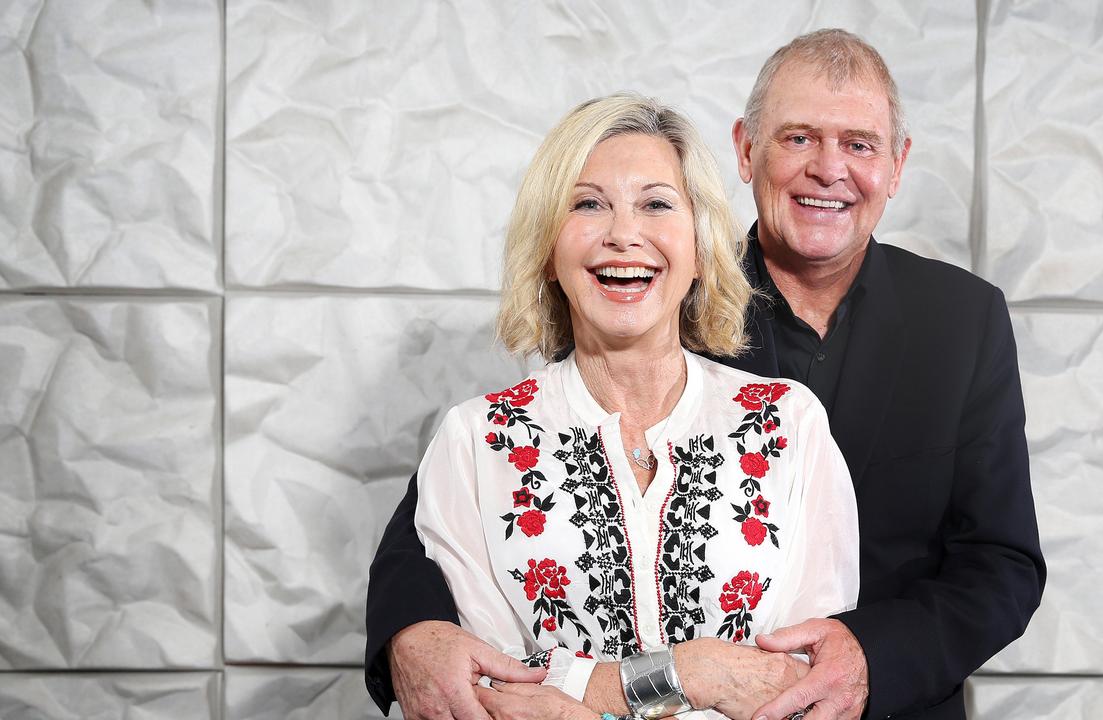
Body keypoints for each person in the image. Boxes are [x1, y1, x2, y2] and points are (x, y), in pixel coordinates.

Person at [367, 29, 1046, 720]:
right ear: (747, 151)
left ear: (897, 165)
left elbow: (1002, 562)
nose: (828, 169)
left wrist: (870, 656)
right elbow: (460, 501)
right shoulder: (656, 292)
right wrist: (408, 632)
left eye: (860, 145)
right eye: (798, 138)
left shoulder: (963, 319)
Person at [385, 92, 864, 720]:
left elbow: (796, 681)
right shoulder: (475, 441)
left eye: (657, 205)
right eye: (588, 204)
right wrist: (691, 674)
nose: (623, 234)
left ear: (700, 246)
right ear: (549, 251)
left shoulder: (787, 423)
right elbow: (491, 692)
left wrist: (577, 691)